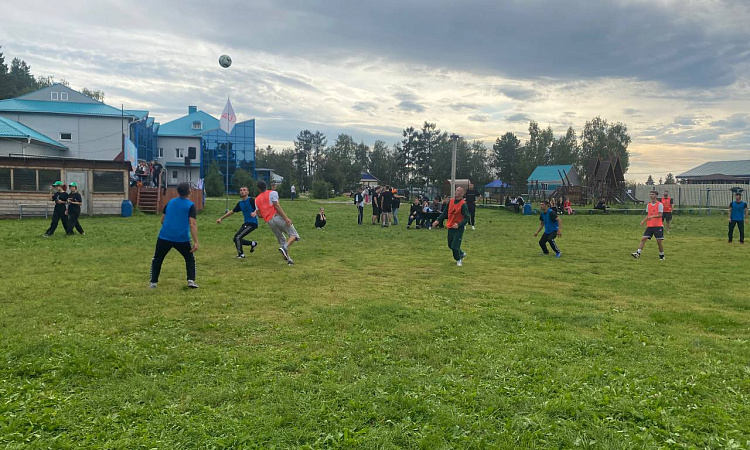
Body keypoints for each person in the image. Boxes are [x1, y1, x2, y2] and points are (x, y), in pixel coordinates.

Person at [149, 182, 199, 289]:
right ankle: (191, 281)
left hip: (164, 236)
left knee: (157, 258)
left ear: (178, 192)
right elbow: (192, 224)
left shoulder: (170, 202)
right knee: (189, 258)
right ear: (189, 192)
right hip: (182, 238)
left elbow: (162, 220)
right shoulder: (191, 205)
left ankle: (153, 282)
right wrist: (196, 242)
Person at [255, 180, 300, 265]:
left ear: (258, 189)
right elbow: (276, 205)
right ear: (266, 186)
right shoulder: (272, 193)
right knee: (294, 235)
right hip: (276, 217)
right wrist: (286, 218)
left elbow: (259, 214)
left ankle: (289, 260)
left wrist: (266, 213)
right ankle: (285, 247)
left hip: (269, 221)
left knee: (282, 239)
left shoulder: (257, 200)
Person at [215, 186, 258, 258]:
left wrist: (255, 212)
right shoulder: (240, 203)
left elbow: (259, 207)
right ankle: (253, 243)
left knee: (237, 237)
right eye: (241, 190)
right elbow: (232, 211)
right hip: (246, 223)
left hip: (252, 223)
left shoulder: (251, 200)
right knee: (236, 239)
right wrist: (221, 218)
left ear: (248, 192)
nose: (242, 191)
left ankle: (241, 255)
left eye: (244, 190)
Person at [432, 186, 470, 266]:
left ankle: (458, 259)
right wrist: (437, 220)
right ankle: (461, 253)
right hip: (450, 226)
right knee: (450, 245)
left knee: (455, 246)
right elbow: (445, 213)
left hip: (458, 228)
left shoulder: (463, 204)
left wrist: (459, 224)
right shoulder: (451, 202)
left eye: (458, 191)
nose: (456, 192)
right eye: (456, 190)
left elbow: (467, 217)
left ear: (462, 194)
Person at [632, 190, 665, 260]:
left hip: (658, 226)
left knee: (659, 242)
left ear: (656, 196)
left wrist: (652, 216)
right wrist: (644, 221)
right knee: (643, 239)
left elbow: (660, 215)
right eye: (650, 194)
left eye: (652, 194)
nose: (651, 195)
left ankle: (661, 255)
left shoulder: (660, 204)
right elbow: (648, 215)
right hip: (650, 226)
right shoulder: (649, 205)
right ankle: (638, 253)